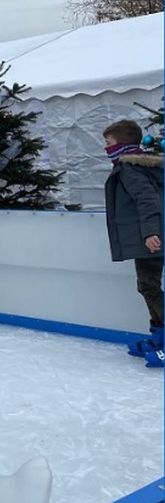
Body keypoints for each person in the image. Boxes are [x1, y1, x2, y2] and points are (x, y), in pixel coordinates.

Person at [102, 120, 164, 368]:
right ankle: (159, 338)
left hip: (151, 237)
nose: (105, 148)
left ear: (122, 144)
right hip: (150, 236)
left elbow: (147, 200)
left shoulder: (129, 168)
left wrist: (149, 233)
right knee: (147, 286)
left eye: (108, 143)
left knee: (148, 286)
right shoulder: (138, 165)